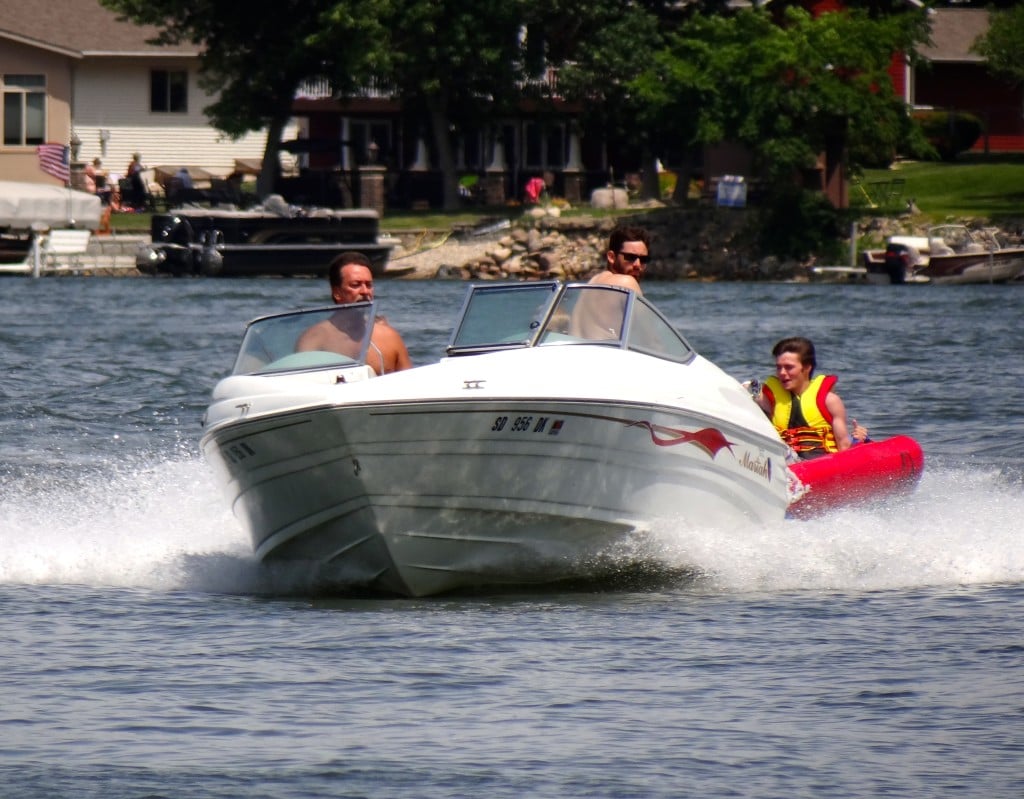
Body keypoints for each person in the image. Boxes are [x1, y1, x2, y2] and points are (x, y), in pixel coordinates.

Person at [296, 252, 412, 375]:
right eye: (355, 285)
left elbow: (409, 385)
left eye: (369, 285)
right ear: (337, 293)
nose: (365, 291)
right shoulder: (315, 339)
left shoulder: (389, 337)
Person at [754, 336, 868, 459]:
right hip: (785, 466)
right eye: (778, 367)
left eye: (789, 367)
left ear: (807, 368)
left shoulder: (830, 401)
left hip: (822, 467)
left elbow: (843, 447)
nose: (782, 373)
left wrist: (858, 441)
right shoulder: (767, 400)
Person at [589, 224, 650, 294]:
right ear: (611, 257)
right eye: (630, 257)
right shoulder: (627, 282)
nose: (638, 264)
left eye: (643, 259)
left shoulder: (593, 281)